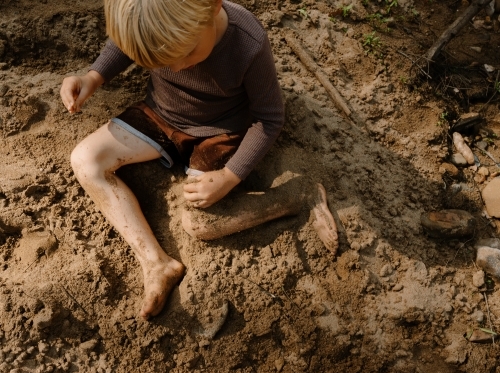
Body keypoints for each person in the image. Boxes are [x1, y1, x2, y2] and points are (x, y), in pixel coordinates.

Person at [60, 0, 338, 320]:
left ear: (212, 7)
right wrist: (94, 77)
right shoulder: (154, 21)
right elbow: (128, 43)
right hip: (162, 114)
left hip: (221, 131)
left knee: (200, 222)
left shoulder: (247, 42)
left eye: (187, 53)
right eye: (163, 60)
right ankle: (155, 263)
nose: (177, 67)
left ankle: (295, 196)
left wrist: (230, 176)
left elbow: (269, 119)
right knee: (85, 160)